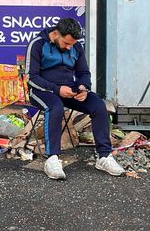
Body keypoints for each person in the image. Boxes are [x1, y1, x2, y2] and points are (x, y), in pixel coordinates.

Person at [25, 17, 125, 180]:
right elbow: (31, 77)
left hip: (69, 89)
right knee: (55, 106)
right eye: (66, 43)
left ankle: (104, 156)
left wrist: (83, 88)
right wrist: (56, 89)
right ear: (56, 33)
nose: (69, 47)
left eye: (72, 44)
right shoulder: (37, 44)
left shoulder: (75, 46)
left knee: (98, 105)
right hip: (41, 91)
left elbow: (83, 73)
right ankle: (52, 159)